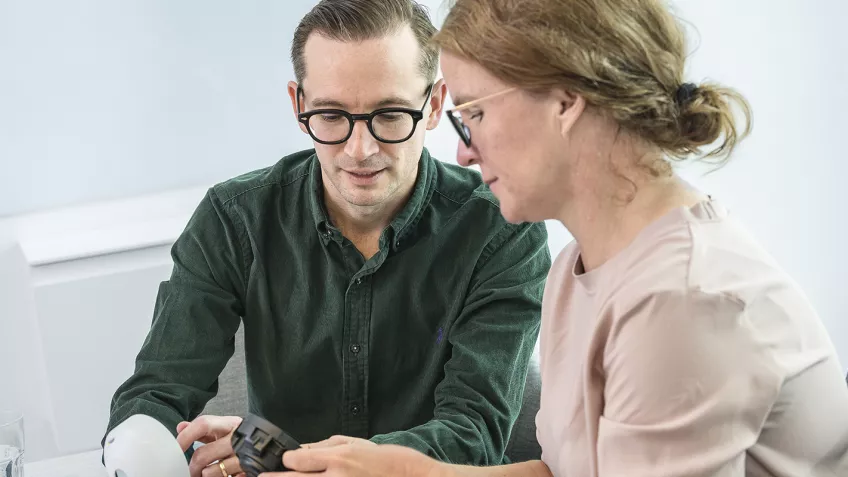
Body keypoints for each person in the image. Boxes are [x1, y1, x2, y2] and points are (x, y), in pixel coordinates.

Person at [269, 0, 848, 476]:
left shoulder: (684, 301)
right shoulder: (579, 266)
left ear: (566, 102)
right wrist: (406, 470)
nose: (464, 153)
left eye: (474, 115)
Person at [103, 1, 551, 476]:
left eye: (390, 114)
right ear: (300, 106)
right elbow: (154, 398)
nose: (360, 150)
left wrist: (289, 462)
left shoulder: (502, 227)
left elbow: (472, 436)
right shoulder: (233, 220)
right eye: (332, 115)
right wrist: (148, 448)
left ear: (435, 105)